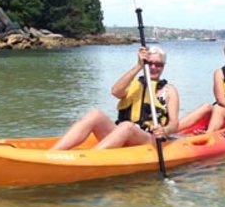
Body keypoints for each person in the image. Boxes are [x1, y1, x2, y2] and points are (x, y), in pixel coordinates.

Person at [51, 46, 210, 150]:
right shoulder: (133, 84)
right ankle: (54, 153)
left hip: (148, 139)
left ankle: (91, 158)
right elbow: (115, 91)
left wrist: (165, 130)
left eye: (159, 64)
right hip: (121, 132)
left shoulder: (169, 90)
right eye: (150, 63)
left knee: (127, 126)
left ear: (163, 67)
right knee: (95, 114)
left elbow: (174, 123)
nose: (154, 67)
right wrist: (139, 66)